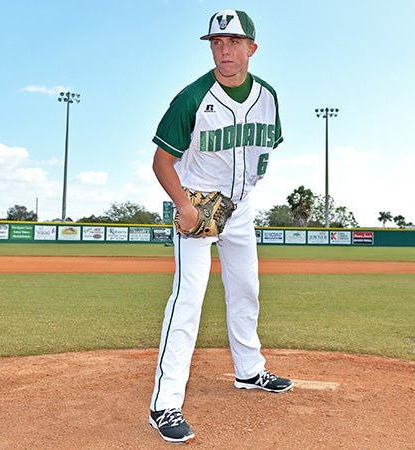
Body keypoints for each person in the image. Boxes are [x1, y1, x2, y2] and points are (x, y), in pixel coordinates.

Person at [148, 9, 293, 444]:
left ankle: (249, 371)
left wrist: (243, 196)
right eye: (216, 42)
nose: (224, 50)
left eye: (233, 42)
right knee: (188, 299)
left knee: (246, 289)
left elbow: (263, 153)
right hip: (196, 205)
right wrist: (184, 206)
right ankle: (165, 403)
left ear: (251, 48)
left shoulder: (268, 97)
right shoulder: (192, 97)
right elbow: (161, 161)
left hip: (241, 208)